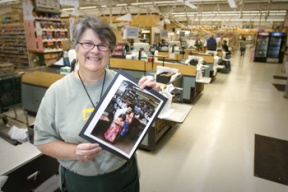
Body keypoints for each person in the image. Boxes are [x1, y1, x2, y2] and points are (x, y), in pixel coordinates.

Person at [33, 15, 160, 192]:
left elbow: (145, 125)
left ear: (110, 51)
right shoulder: (57, 92)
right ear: (76, 48)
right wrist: (74, 152)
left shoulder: (123, 85)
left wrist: (152, 95)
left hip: (122, 177)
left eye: (102, 45)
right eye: (87, 43)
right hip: (80, 182)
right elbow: (42, 140)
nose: (95, 51)